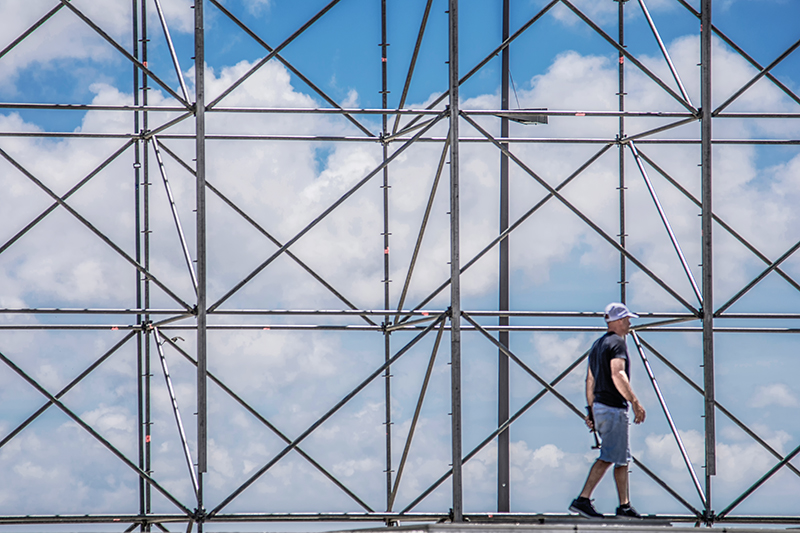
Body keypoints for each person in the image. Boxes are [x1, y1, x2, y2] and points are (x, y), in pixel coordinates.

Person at [569, 302, 646, 519]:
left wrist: (591, 410)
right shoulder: (617, 343)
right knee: (610, 456)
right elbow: (617, 374)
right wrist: (634, 401)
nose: (630, 323)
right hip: (613, 408)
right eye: (628, 319)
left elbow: (590, 380)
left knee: (620, 457)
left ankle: (624, 504)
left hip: (601, 407)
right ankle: (583, 499)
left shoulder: (597, 345)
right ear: (619, 321)